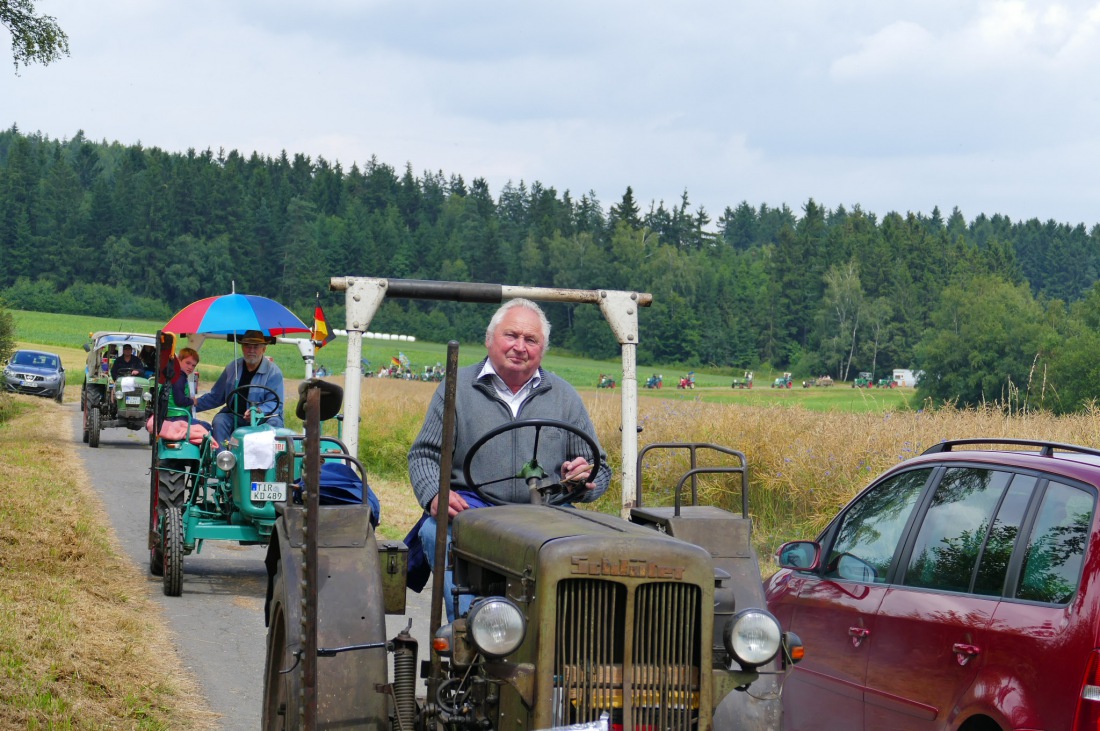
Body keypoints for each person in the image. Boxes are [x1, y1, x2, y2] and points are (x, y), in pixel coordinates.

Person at [407, 299, 611, 620]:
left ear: (542, 349)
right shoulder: (457, 388)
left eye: (531, 340)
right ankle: (470, 632)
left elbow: (600, 470)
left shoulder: (564, 396)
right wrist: (434, 493)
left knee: (600, 545)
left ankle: (568, 638)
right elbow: (424, 455)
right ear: (490, 339)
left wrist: (585, 479)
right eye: (511, 336)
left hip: (548, 513)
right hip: (475, 511)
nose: (520, 347)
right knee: (436, 532)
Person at [194, 330, 285, 445]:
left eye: (256, 347)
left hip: (262, 419)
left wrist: (258, 411)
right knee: (220, 421)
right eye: (247, 346)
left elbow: (275, 404)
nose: (251, 350)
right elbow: (216, 396)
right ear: (242, 347)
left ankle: (270, 461)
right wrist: (192, 404)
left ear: (264, 349)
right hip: (235, 416)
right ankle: (224, 458)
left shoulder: (274, 373)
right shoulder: (233, 368)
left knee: (275, 424)